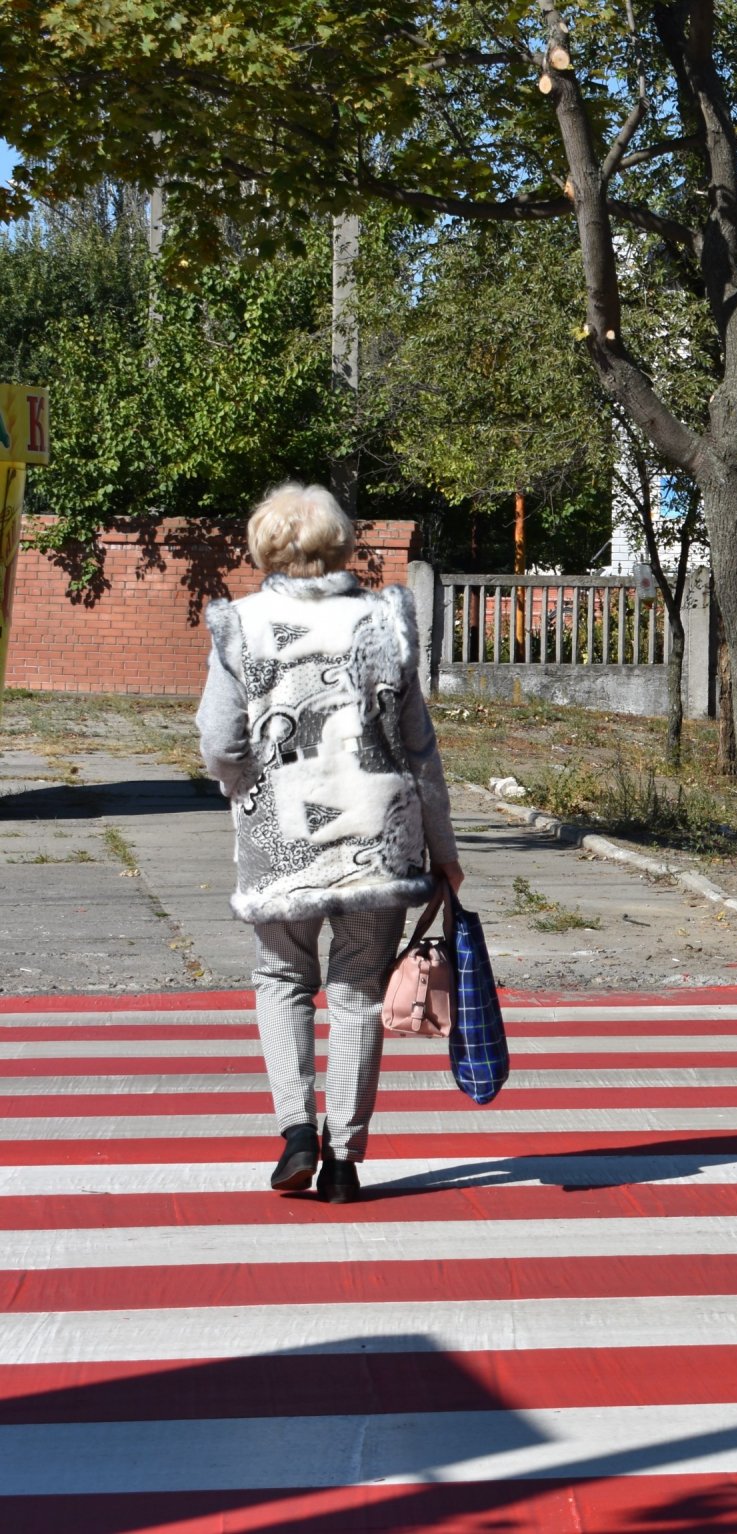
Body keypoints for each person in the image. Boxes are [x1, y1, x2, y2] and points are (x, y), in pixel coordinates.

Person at [196, 483, 463, 1203]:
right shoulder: (386, 618)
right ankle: (344, 1160)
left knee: (282, 979)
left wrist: (241, 787)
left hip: (279, 838)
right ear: (343, 544)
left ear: (266, 546)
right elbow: (419, 747)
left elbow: (221, 744)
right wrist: (444, 849)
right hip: (378, 839)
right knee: (357, 992)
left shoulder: (240, 625)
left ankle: (295, 1133)